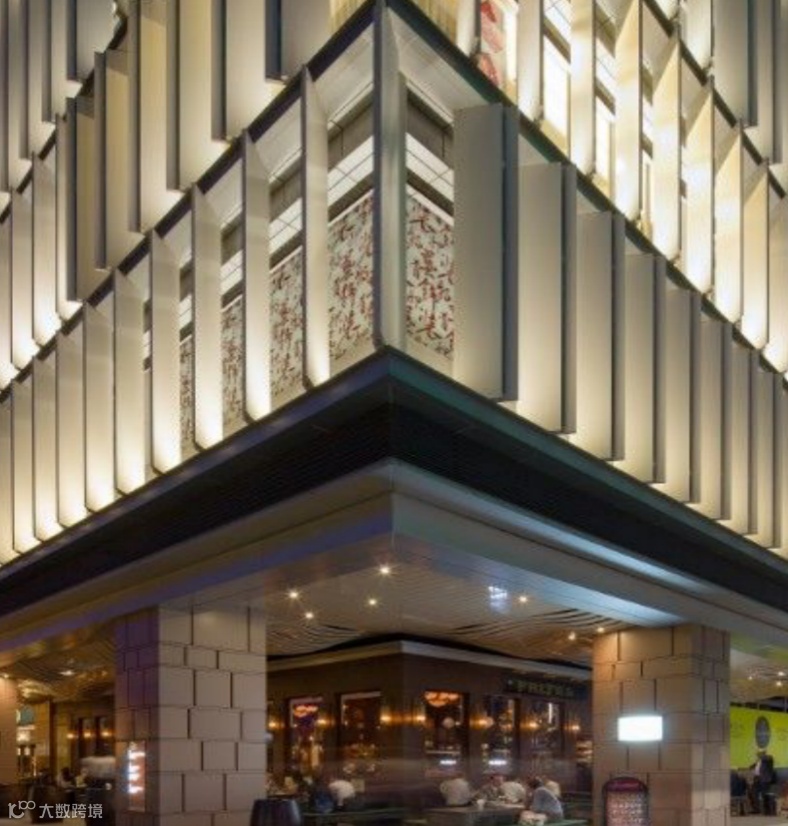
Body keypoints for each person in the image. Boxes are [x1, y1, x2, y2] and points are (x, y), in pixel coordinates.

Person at [750, 748, 777, 814]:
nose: (758, 754)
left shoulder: (769, 758)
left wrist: (760, 756)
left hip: (765, 779)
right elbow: (752, 767)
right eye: (758, 753)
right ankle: (756, 809)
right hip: (756, 779)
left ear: (764, 753)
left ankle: (766, 810)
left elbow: (766, 758)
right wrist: (753, 765)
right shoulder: (759, 761)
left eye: (760, 753)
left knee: (764, 794)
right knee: (753, 793)